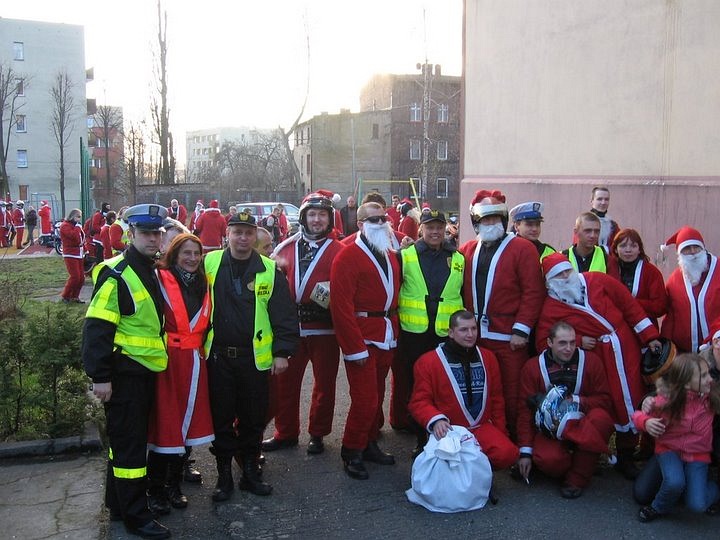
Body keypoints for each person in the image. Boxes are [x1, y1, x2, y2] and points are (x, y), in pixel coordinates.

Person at [82, 203, 171, 540]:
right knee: (131, 449)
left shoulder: (149, 268)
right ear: (130, 235)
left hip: (140, 373)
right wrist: (100, 377)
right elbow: (96, 328)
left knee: (122, 444)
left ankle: (118, 504)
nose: (153, 239)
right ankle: (137, 517)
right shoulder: (117, 274)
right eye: (146, 233)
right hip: (122, 376)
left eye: (157, 233)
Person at [535, 252, 662, 480]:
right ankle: (613, 453)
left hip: (626, 347)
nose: (565, 278)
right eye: (558, 275)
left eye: (567, 272)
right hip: (599, 359)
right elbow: (542, 340)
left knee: (637, 395)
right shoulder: (550, 307)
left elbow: (629, 305)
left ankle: (641, 449)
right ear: (549, 282)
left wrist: (649, 336)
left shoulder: (597, 280)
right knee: (613, 402)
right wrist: (579, 340)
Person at [203, 211, 298, 501]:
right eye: (237, 232)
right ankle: (223, 477)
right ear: (227, 234)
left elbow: (283, 314)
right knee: (221, 420)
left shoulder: (269, 269)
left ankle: (250, 474)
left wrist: (282, 352)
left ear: (254, 236)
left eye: (248, 233)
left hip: (254, 360)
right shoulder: (210, 262)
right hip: (218, 358)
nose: (242, 238)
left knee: (252, 419)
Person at [459, 189, 546, 437]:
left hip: (509, 338)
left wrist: (522, 329)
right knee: (479, 389)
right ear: (476, 222)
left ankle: (517, 441)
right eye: (486, 219)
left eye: (496, 218)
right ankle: (486, 435)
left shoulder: (522, 249)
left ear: (505, 219)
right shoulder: (466, 250)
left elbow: (533, 292)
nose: (491, 223)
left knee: (512, 391)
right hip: (475, 337)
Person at [262, 192, 344, 455]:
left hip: (325, 330)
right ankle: (285, 433)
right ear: (304, 217)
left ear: (330, 218)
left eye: (322, 215)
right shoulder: (285, 247)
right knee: (285, 383)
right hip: (292, 329)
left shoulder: (341, 250)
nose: (317, 220)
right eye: (312, 214)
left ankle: (318, 434)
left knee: (324, 385)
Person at [330, 201, 400, 480]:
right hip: (361, 337)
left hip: (386, 333)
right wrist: (353, 347)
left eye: (383, 218)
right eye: (373, 219)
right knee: (365, 399)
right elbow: (340, 306)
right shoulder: (347, 256)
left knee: (378, 395)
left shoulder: (391, 254)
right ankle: (352, 450)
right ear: (359, 224)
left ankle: (370, 442)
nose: (380, 222)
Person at [146, 233, 214, 515]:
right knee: (166, 424)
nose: (192, 259)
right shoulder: (159, 278)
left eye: (197, 254)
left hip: (196, 361)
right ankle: (157, 487)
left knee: (187, 424)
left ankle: (175, 484)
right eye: (186, 253)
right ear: (174, 254)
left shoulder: (204, 283)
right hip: (168, 361)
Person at [408, 310, 519, 470]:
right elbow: (419, 402)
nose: (470, 334)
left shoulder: (488, 358)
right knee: (451, 464)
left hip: (480, 428)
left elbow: (496, 399)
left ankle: (478, 476)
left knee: (507, 453)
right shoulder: (428, 361)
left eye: (474, 329)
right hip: (448, 430)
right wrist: (436, 419)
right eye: (463, 330)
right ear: (451, 333)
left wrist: (501, 432)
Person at [516, 322, 614, 498]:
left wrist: (573, 401)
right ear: (549, 342)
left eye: (572, 343)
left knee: (602, 419)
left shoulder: (591, 361)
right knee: (550, 460)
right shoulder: (532, 367)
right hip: (550, 430)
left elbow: (605, 400)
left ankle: (577, 478)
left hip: (582, 423)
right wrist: (525, 452)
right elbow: (524, 412)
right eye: (562, 343)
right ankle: (579, 463)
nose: (568, 348)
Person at [396, 209, 465, 455]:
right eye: (429, 227)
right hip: (415, 333)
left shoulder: (457, 258)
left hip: (446, 334)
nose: (435, 232)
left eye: (439, 227)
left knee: (444, 384)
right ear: (420, 229)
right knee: (418, 385)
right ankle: (420, 437)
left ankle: (446, 432)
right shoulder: (405, 255)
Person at [632, 353, 720, 522]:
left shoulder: (712, 396)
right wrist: (646, 422)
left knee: (697, 505)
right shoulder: (668, 399)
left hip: (698, 455)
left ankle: (712, 489)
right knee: (674, 483)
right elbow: (637, 416)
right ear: (686, 383)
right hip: (669, 450)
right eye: (703, 376)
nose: (710, 378)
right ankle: (657, 508)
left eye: (708, 373)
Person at [661, 226, 720, 353]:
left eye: (696, 247)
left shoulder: (718, 270)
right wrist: (666, 344)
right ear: (680, 254)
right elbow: (670, 317)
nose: (693, 252)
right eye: (687, 249)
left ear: (703, 248)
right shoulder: (674, 281)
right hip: (686, 354)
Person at [609, 228, 667, 327]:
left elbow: (660, 307)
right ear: (615, 249)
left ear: (639, 249)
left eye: (633, 246)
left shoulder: (651, 272)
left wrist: (630, 303)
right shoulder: (609, 270)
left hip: (646, 328)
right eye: (622, 246)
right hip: (617, 329)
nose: (628, 250)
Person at [59, 209, 86, 304]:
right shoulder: (65, 226)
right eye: (77, 217)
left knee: (81, 278)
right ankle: (65, 296)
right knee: (75, 276)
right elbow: (73, 236)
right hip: (70, 253)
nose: (79, 219)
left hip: (79, 253)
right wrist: (78, 228)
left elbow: (81, 239)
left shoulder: (75, 226)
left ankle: (75, 296)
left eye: (80, 217)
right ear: (72, 216)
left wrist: (85, 249)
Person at [589, 186, 620, 250]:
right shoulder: (584, 223)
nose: (603, 203)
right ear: (592, 201)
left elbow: (619, 245)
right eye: (599, 199)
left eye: (606, 199)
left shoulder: (613, 226)